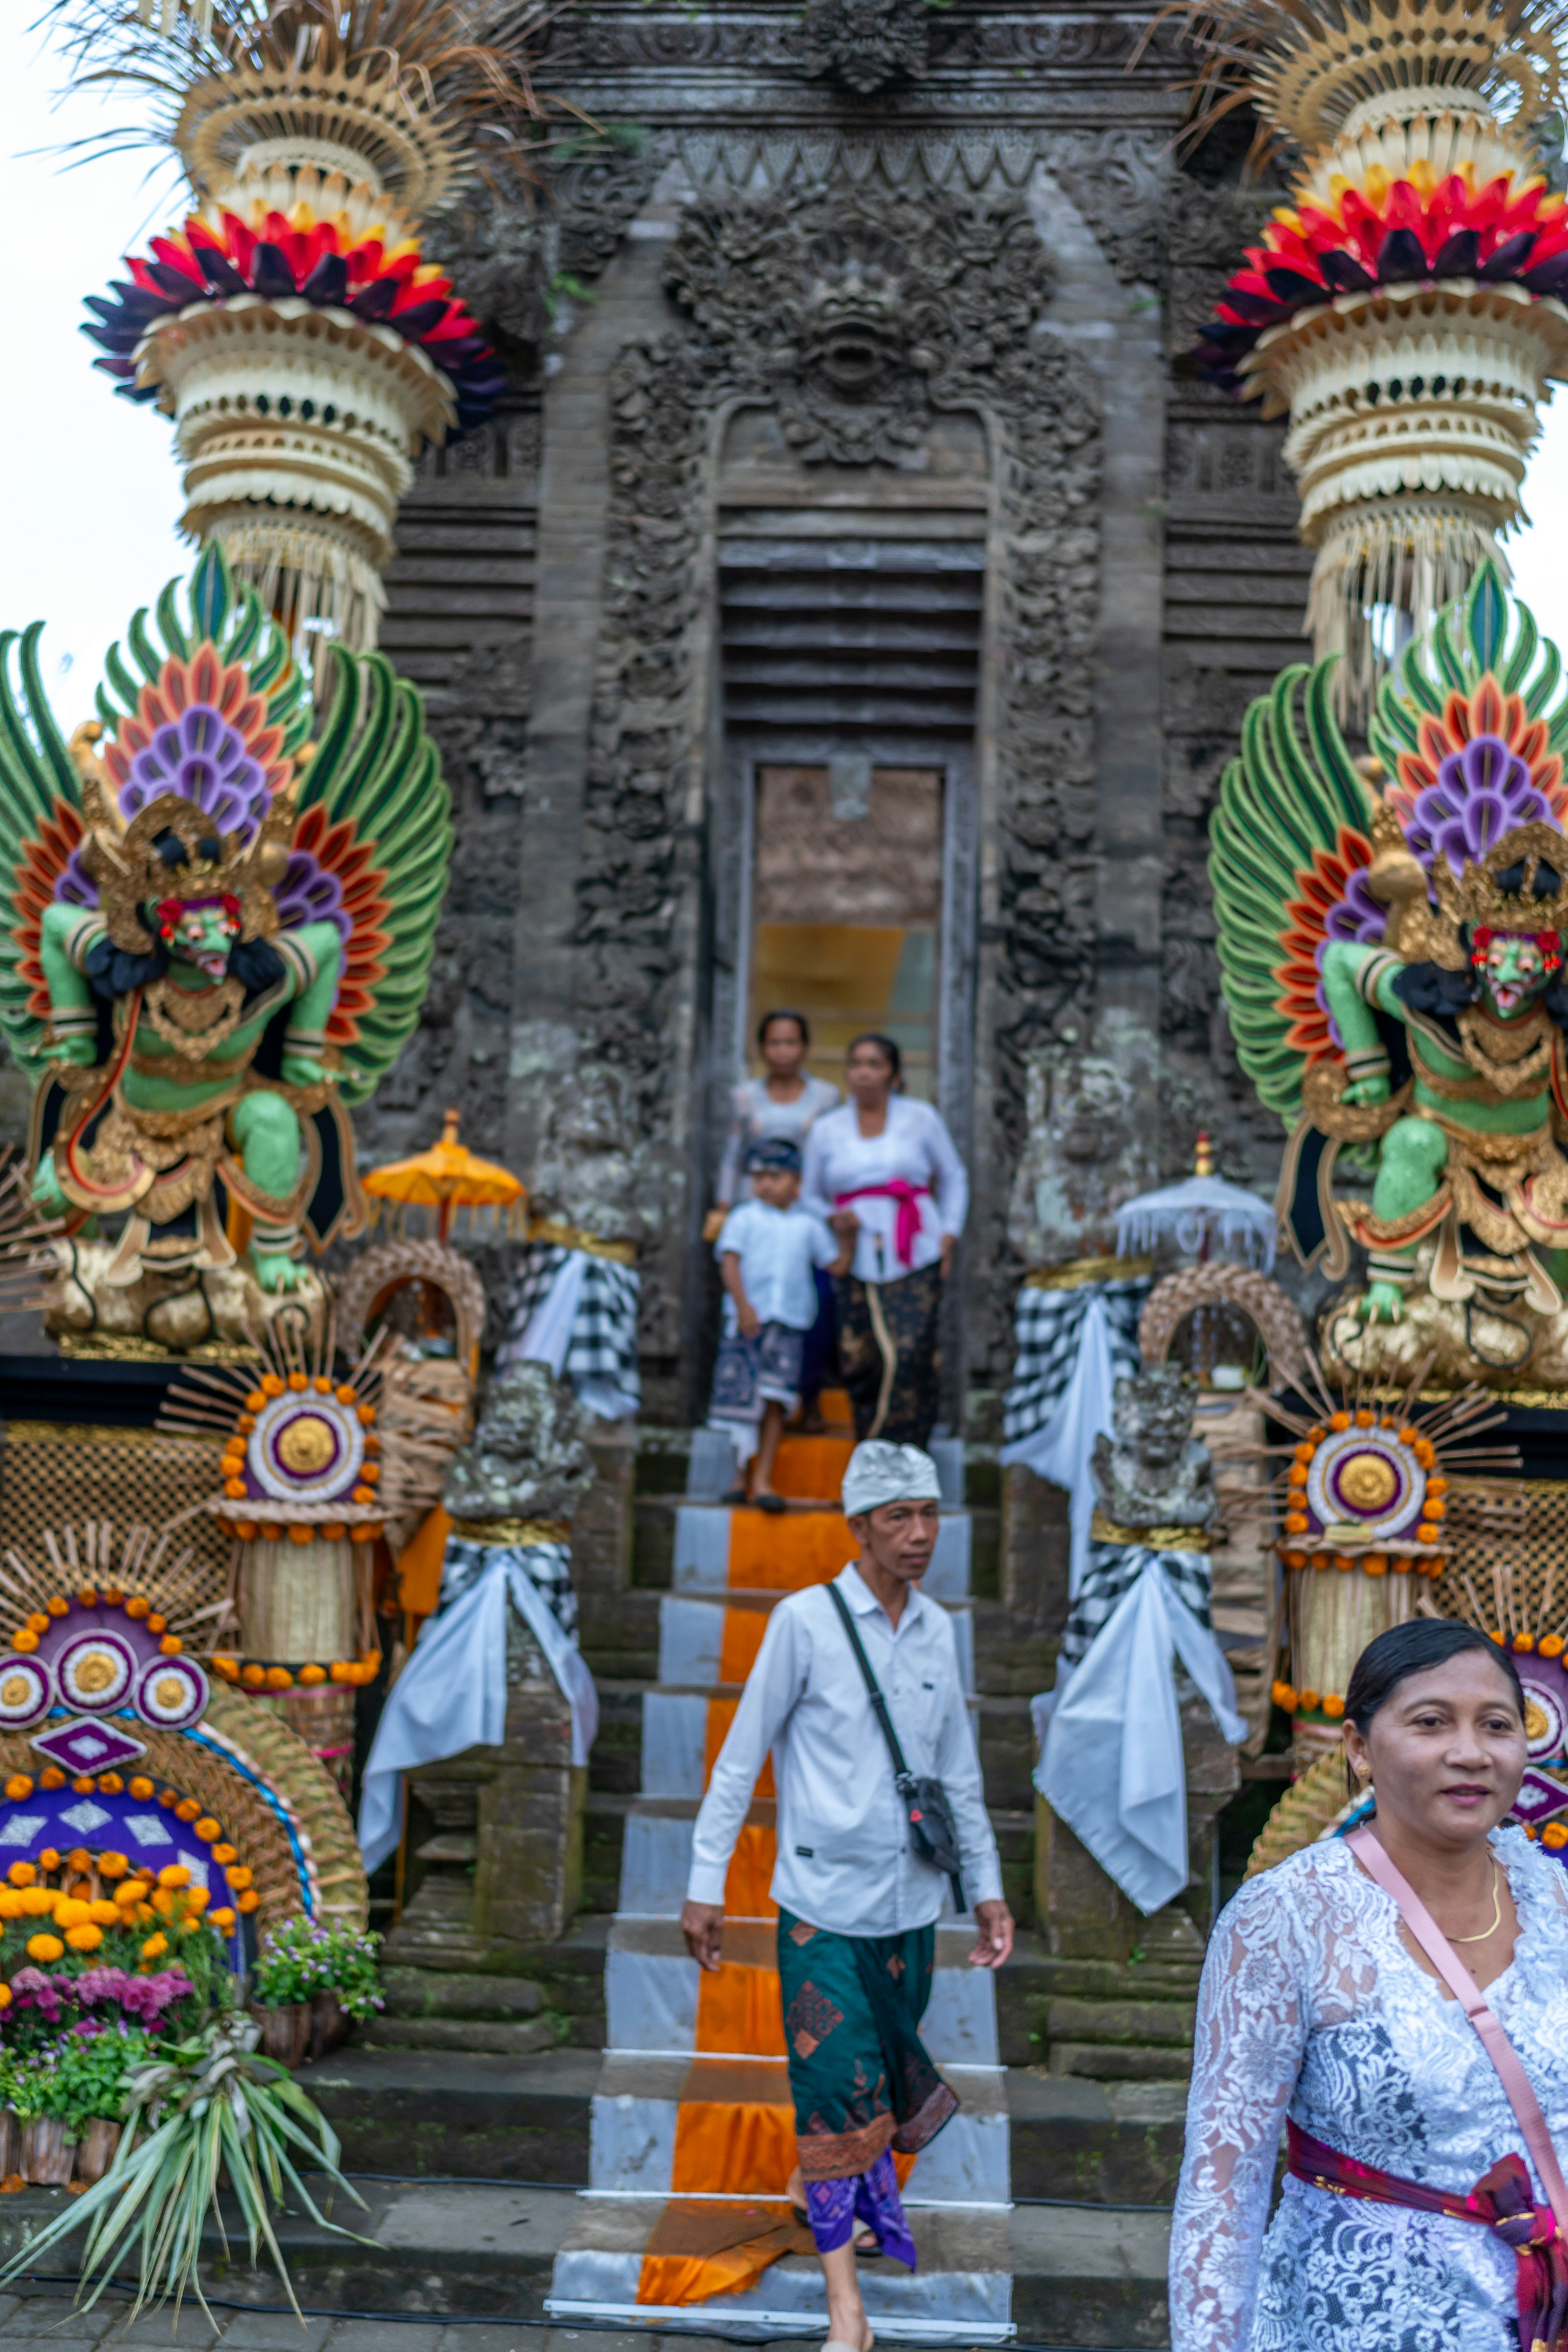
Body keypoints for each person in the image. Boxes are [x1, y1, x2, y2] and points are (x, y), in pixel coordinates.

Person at [682, 1440, 1012, 2352]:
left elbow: (959, 1775)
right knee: (834, 2100)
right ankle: (848, 2316)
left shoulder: (942, 1632)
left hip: (911, 1910)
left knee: (881, 2098)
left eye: (930, 1515)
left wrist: (985, 1889)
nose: (920, 1535)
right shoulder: (804, 1623)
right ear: (858, 1526)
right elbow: (741, 1756)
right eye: (899, 1518)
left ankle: (814, 2193)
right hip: (821, 1909)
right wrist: (704, 1884)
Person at [1170, 1616, 1568, 2352]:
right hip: (1350, 2321)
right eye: (1429, 1722)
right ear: (1357, 1747)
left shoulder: (1557, 1903)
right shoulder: (1285, 1917)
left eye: (1495, 1725)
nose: (1469, 1753)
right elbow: (1221, 2189)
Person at [801, 1036, 968, 1448]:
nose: (863, 1072)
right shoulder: (827, 1128)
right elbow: (808, 1194)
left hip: (916, 1249)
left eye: (874, 1064)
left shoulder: (921, 1118)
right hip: (852, 1253)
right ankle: (871, 1455)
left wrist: (949, 1233)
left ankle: (904, 1459)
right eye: (856, 1063)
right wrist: (833, 1218)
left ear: (894, 1075)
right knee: (860, 1357)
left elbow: (954, 1177)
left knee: (911, 1351)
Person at [711, 1010, 841, 1425]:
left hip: (807, 1214)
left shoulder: (826, 1097)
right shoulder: (746, 1097)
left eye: (791, 1042)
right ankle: (745, 1403)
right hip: (756, 1214)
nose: (783, 1051)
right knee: (751, 1304)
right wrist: (724, 1205)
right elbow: (733, 1156)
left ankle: (810, 1392)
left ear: (804, 1048)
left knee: (812, 1306)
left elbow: (829, 1157)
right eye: (774, 1043)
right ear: (761, 1048)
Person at [707, 1137, 848, 1510]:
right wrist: (742, 1306)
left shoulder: (809, 1225)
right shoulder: (743, 1217)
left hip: (789, 1324)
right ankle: (740, 1477)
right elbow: (730, 1262)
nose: (766, 1184)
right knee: (741, 1402)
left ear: (797, 1184)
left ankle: (764, 1479)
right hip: (747, 1322)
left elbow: (834, 1265)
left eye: (775, 1176)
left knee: (775, 1403)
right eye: (759, 1177)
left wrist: (849, 1237)